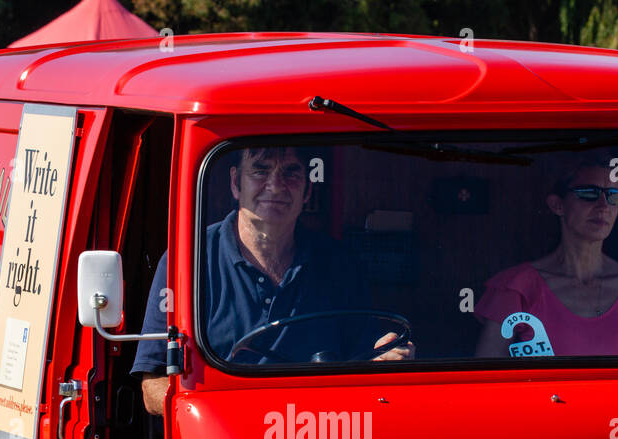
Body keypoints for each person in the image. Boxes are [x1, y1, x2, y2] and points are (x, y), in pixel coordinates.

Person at [133, 145, 412, 414]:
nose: (276, 186)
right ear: (235, 183)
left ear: (307, 190)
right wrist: (226, 412)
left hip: (320, 435)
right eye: (260, 170)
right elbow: (153, 386)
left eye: (290, 173)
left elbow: (364, 365)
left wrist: (385, 360)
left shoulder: (339, 264)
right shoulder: (187, 260)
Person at [474, 155, 618, 358]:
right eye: (589, 193)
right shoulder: (515, 288)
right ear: (557, 205)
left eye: (613, 196)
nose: (604, 206)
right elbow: (485, 381)